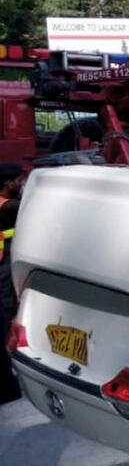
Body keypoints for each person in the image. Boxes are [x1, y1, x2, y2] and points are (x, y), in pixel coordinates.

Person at [0, 163, 23, 406]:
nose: (20, 183)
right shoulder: (11, 207)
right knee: (8, 307)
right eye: (18, 180)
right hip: (5, 262)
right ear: (8, 183)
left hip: (4, 261)